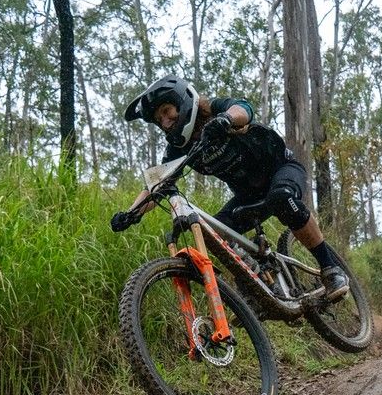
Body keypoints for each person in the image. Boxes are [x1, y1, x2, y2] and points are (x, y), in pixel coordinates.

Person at [109, 75, 349, 301]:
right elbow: (158, 184)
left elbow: (244, 109)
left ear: (181, 102)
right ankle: (257, 287)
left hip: (282, 169)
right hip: (248, 195)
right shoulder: (177, 150)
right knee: (212, 232)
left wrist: (225, 120)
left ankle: (330, 268)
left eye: (166, 111)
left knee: (282, 197)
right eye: (159, 120)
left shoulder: (212, 109)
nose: (165, 122)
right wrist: (131, 213)